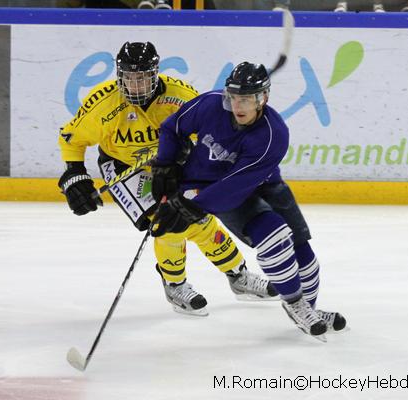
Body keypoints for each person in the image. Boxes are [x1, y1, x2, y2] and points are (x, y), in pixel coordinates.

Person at [57, 43, 277, 316]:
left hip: (171, 165)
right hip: (123, 165)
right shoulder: (103, 103)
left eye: (142, 78)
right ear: (119, 76)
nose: (135, 85)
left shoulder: (181, 95)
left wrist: (185, 154)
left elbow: (208, 131)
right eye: (129, 78)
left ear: (155, 74)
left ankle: (238, 276)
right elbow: (71, 138)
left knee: (199, 218)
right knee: (166, 222)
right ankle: (174, 283)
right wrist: (74, 173)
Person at [149, 61, 347, 338]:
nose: (238, 106)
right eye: (233, 98)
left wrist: (192, 206)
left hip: (257, 184)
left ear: (262, 98)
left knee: (304, 252)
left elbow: (237, 183)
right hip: (204, 182)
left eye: (246, 99)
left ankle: (306, 308)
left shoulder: (273, 134)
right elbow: (172, 127)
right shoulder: (209, 104)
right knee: (274, 237)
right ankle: (295, 302)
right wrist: (165, 163)